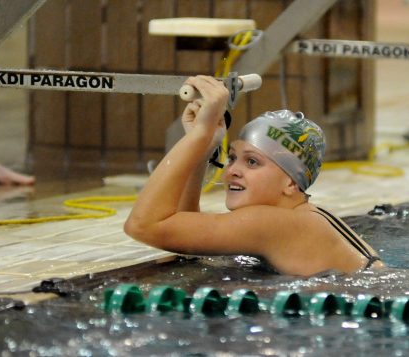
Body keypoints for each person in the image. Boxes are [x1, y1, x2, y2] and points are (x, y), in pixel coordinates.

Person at [124, 75, 383, 275]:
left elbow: (143, 225)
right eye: (233, 157)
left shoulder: (273, 223)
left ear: (291, 182)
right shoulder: (301, 218)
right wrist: (203, 147)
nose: (233, 170)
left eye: (252, 162)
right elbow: (183, 232)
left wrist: (199, 134)